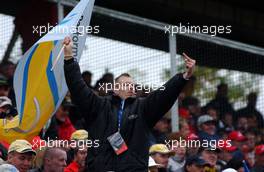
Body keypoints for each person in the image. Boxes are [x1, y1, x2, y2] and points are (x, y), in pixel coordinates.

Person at [63, 36, 195, 172]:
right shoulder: (99, 106)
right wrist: (68, 59)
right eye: (126, 84)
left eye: (134, 85)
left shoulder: (143, 108)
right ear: (114, 88)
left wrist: (183, 77)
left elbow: (163, 96)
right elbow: (78, 88)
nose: (132, 88)